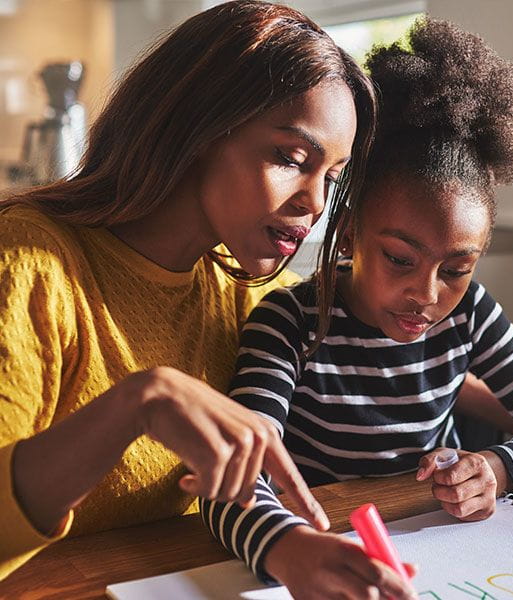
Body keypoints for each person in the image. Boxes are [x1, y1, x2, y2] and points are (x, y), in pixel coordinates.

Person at [201, 17, 513, 599]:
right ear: (353, 230)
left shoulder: (470, 315)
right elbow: (235, 480)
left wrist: (496, 469)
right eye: (400, 259)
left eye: (457, 269)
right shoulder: (289, 323)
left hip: (438, 553)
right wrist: (287, 545)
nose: (427, 295)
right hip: (325, 550)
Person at [0, 0, 381, 582]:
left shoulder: (243, 291)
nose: (315, 204)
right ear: (199, 128)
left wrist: (485, 446)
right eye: (291, 159)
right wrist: (138, 403)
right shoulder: (28, 261)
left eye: (331, 177)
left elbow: (365, 342)